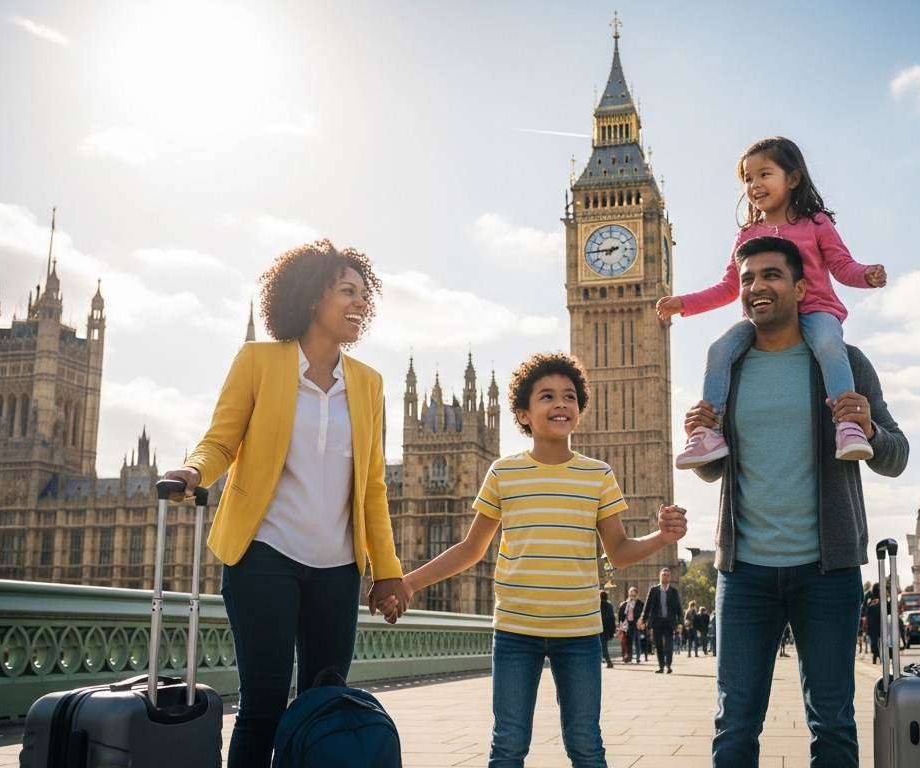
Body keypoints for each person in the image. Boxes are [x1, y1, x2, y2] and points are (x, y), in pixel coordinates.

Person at [161, 241, 409, 768]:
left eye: (364, 295)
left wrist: (386, 571)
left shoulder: (368, 383)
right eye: (348, 292)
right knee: (264, 707)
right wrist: (194, 470)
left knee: (326, 703)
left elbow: (372, 486)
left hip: (337, 567)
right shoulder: (259, 361)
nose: (360, 304)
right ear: (311, 295)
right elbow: (221, 441)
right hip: (265, 554)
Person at [397, 352, 687, 768]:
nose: (560, 404)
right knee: (509, 745)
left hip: (580, 632)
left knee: (586, 743)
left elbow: (618, 552)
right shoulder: (502, 473)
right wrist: (410, 582)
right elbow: (470, 548)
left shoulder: (598, 475)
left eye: (569, 396)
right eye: (547, 396)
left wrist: (663, 535)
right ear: (522, 413)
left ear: (580, 410)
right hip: (516, 630)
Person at [685, 236, 908, 768]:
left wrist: (870, 428)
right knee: (734, 725)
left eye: (771, 275)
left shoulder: (843, 362)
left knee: (832, 723)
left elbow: (895, 455)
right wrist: (700, 432)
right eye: (747, 280)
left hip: (826, 572)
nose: (757, 287)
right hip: (744, 574)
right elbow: (714, 470)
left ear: (802, 287)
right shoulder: (728, 368)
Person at [659, 136, 888, 470]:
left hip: (817, 311)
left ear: (792, 179)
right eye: (748, 179)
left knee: (828, 342)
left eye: (764, 174)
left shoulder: (816, 224)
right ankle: (708, 432)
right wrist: (684, 303)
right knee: (719, 349)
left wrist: (866, 275)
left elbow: (842, 266)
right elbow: (728, 287)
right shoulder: (747, 235)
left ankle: (848, 424)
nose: (754, 184)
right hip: (760, 321)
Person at [641, 567, 683, 674]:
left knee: (669, 645)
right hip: (657, 622)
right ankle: (661, 666)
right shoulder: (653, 590)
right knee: (658, 645)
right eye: (663, 575)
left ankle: (668, 665)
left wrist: (680, 623)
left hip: (669, 622)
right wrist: (643, 620)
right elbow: (647, 607)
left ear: (670, 577)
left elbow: (679, 608)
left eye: (667, 575)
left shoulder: (674, 591)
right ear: (660, 577)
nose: (665, 577)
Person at [617, 587, 644, 663]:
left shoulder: (640, 604)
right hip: (627, 624)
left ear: (637, 594)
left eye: (634, 593)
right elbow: (621, 614)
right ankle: (629, 657)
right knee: (628, 642)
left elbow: (643, 614)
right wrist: (621, 623)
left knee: (637, 641)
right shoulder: (625, 604)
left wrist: (642, 622)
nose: (633, 594)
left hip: (636, 623)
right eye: (631, 592)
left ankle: (638, 657)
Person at [863, 585, 883, 665]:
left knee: (874, 643)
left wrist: (866, 598)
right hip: (881, 627)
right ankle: (878, 656)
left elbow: (863, 610)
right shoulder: (883, 603)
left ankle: (875, 656)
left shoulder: (870, 604)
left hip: (872, 628)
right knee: (880, 643)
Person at [600, 590, 617, 669]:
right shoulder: (609, 606)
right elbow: (612, 618)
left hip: (600, 628)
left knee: (602, 646)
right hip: (607, 628)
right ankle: (607, 661)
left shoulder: (599, 606)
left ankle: (608, 661)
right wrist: (613, 629)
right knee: (603, 645)